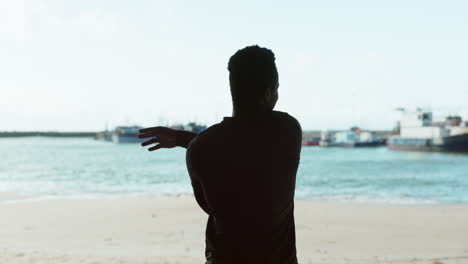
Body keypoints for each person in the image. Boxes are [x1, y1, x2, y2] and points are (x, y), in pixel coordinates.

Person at [139, 45, 302, 264]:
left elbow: (209, 205)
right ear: (268, 93)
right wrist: (185, 139)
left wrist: (184, 140)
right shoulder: (288, 130)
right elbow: (249, 144)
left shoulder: (202, 148)